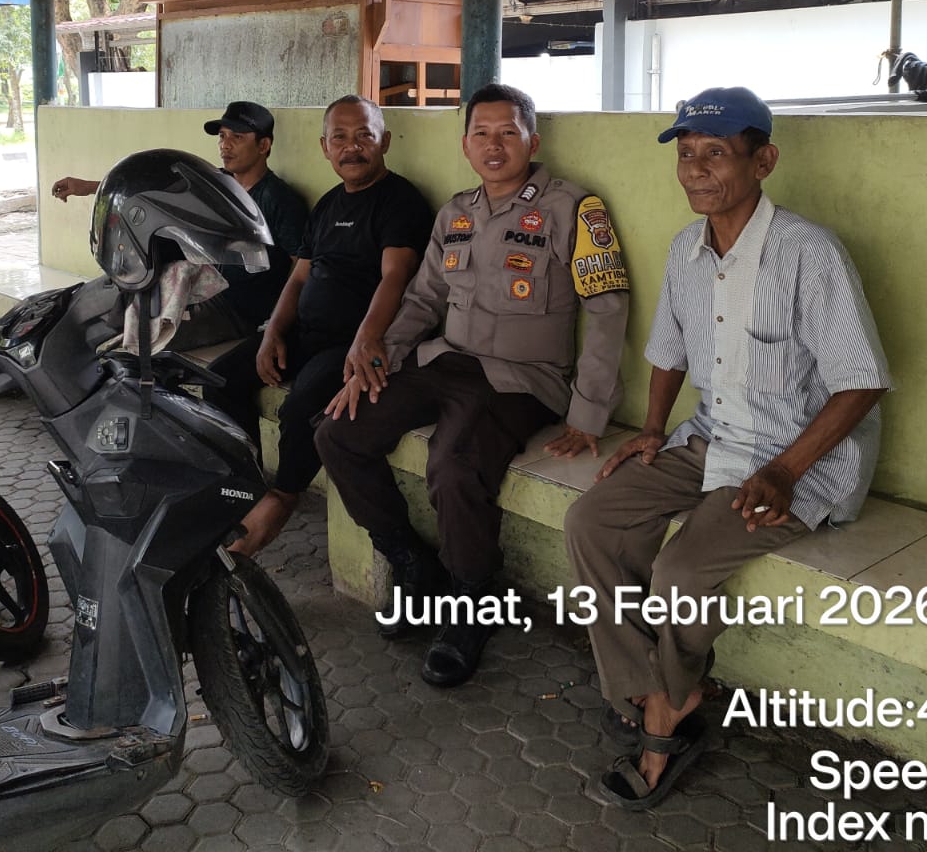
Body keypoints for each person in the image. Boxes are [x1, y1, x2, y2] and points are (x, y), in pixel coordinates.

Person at [563, 86, 890, 811]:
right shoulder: (687, 250)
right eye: (687, 154)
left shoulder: (809, 253)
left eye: (716, 153)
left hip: (799, 461)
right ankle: (654, 687)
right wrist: (653, 429)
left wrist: (785, 470)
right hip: (712, 437)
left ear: (762, 161)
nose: (696, 170)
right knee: (592, 521)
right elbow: (670, 350)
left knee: (679, 570)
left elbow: (862, 382)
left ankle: (664, 719)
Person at [316, 83, 630, 689]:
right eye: (481, 134)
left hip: (521, 380)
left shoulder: (574, 209)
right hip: (445, 362)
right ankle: (412, 563)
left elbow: (608, 310)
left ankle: (472, 599)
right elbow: (423, 298)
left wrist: (588, 412)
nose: (494, 145)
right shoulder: (455, 213)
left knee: (453, 464)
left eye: (508, 132)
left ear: (533, 142)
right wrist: (378, 361)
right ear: (465, 145)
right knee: (338, 433)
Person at [205, 96, 432, 557]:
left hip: (350, 343)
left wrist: (367, 337)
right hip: (304, 334)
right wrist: (272, 332)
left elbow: (396, 275)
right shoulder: (329, 204)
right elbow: (299, 277)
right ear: (325, 147)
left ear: (384, 141)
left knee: (301, 407)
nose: (352, 147)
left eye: (364, 135)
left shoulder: (400, 201)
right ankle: (244, 486)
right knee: (219, 381)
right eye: (340, 138)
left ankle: (282, 498)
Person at [52, 100, 309, 344]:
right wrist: (86, 187)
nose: (225, 145)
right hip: (198, 287)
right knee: (108, 308)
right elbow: (151, 195)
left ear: (263, 145)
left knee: (148, 337)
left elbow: (300, 268)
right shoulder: (217, 184)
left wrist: (278, 322)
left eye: (237, 137)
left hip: (236, 308)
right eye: (222, 136)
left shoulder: (280, 200)